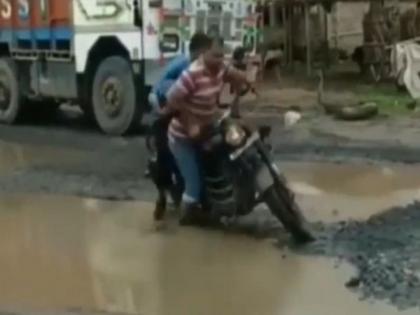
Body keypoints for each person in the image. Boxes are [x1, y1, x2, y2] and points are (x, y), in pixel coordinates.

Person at [163, 35, 255, 225]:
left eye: (222, 56)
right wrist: (190, 124)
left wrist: (245, 80)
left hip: (206, 128)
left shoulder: (221, 67)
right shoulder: (191, 75)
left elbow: (235, 74)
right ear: (204, 53)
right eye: (215, 56)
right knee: (194, 186)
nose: (219, 60)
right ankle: (186, 218)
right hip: (182, 137)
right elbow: (171, 101)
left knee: (229, 148)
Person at [149, 32, 212, 222]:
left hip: (189, 111)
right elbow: (160, 90)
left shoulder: (207, 68)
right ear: (197, 52)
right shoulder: (182, 65)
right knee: (165, 148)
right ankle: (162, 196)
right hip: (165, 107)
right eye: (205, 53)